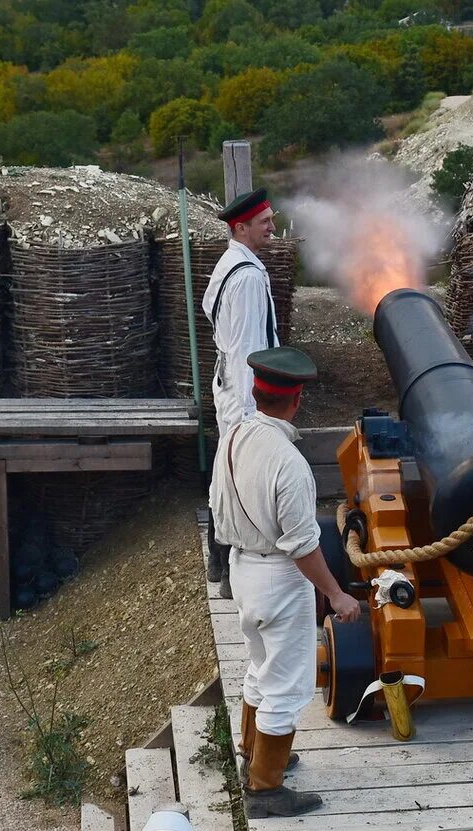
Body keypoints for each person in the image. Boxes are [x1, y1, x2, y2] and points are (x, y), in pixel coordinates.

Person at [209, 346, 361, 817]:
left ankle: (254, 752)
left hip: (243, 567)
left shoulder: (232, 436)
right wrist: (336, 595)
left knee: (259, 667)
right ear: (296, 401)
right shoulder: (290, 464)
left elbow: (216, 508)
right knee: (287, 685)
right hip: (279, 576)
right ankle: (265, 788)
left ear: (257, 393)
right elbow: (302, 546)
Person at [203, 188, 282, 597]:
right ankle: (233, 572)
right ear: (241, 227)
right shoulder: (248, 277)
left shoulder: (230, 263)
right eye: (265, 222)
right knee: (241, 480)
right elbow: (249, 349)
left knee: (227, 474)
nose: (272, 226)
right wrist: (255, 415)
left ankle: (220, 563)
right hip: (244, 393)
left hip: (228, 386)